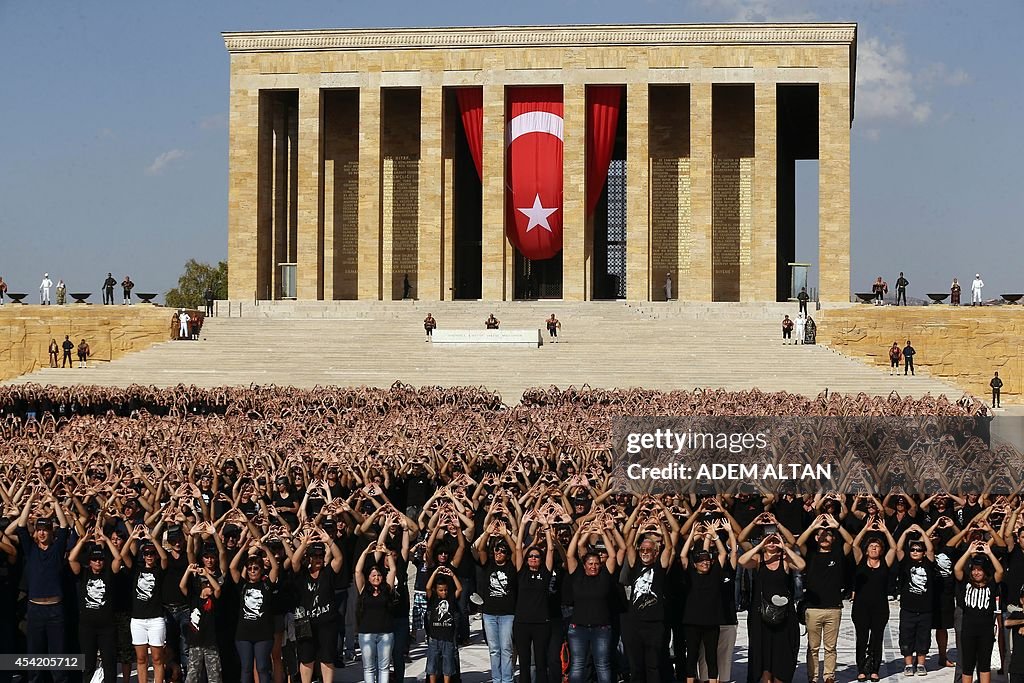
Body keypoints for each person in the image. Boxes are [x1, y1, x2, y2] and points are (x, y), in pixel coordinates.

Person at [7, 487, 72, 683]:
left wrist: (54, 502)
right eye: (39, 529)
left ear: (50, 532)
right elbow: (20, 526)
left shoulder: (57, 549)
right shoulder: (30, 549)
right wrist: (29, 501)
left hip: (55, 610)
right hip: (35, 610)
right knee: (34, 660)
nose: (42, 533)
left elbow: (63, 526)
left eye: (45, 529)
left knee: (58, 660)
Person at [798, 514, 854, 683]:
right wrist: (813, 526)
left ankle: (829, 676)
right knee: (813, 647)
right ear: (815, 537)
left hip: (833, 608)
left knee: (831, 647)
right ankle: (813, 677)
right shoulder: (811, 554)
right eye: (820, 535)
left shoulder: (838, 554)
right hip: (813, 608)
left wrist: (836, 525)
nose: (824, 537)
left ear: (833, 538)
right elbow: (799, 543)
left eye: (827, 534)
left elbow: (850, 542)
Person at [69, 529, 124, 683]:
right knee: (87, 665)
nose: (98, 562)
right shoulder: (84, 573)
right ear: (89, 561)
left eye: (100, 559)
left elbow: (118, 558)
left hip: (107, 627)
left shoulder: (109, 573)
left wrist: (106, 539)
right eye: (94, 559)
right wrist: (83, 540)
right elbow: (72, 559)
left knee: (110, 665)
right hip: (87, 627)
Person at [121, 526, 170, 683]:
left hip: (156, 619)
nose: (149, 556)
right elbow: (123, 554)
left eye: (152, 553)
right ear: (143, 555)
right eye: (147, 553)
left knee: (157, 658)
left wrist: (152, 539)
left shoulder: (159, 570)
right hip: (138, 620)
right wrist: (132, 538)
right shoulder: (136, 569)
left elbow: (164, 558)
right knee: (141, 659)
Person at [851, 517, 896, 682]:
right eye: (871, 546)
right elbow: (854, 545)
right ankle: (862, 669)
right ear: (867, 549)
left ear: (881, 550)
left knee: (877, 639)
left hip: (880, 607)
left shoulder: (885, 562)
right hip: (861, 607)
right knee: (862, 638)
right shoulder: (860, 561)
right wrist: (866, 528)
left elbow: (894, 547)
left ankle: (875, 669)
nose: (874, 548)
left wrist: (885, 531)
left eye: (877, 546)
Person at [230, 539, 280, 683]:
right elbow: (233, 567)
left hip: (263, 634)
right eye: (250, 568)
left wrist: (265, 548)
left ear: (261, 569)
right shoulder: (243, 586)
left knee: (263, 667)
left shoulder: (266, 586)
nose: (252, 571)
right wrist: (244, 548)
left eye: (256, 568)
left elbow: (275, 568)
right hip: (243, 634)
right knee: (246, 668)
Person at [475, 522, 518, 683]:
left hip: (507, 613)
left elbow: (516, 551)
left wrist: (506, 534)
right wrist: (486, 532)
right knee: (494, 650)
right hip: (489, 613)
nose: (499, 552)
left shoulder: (512, 566)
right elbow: (480, 549)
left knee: (506, 649)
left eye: (502, 551)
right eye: (497, 550)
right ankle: (496, 679)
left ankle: (507, 680)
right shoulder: (489, 565)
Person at [954, 541, 1004, 683]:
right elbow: (957, 569)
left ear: (985, 571)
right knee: (967, 666)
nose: (976, 572)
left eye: (980, 569)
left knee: (984, 666)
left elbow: (1000, 571)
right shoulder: (966, 583)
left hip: (986, 632)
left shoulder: (991, 584)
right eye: (974, 569)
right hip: (968, 631)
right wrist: (969, 551)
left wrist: (989, 553)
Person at [355, 541, 398, 683]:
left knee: (384, 667)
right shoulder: (363, 590)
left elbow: (392, 570)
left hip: (385, 633)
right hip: (366, 633)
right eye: (373, 575)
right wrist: (365, 552)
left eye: (378, 575)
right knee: (368, 667)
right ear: (368, 578)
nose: (376, 577)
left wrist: (387, 553)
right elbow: (358, 571)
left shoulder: (387, 589)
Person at [896, 526, 936, 676]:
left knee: (923, 637)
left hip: (925, 609)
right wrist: (905, 533)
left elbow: (931, 550)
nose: (915, 552)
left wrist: (922, 532)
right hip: (908, 608)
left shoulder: (928, 563)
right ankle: (908, 664)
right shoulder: (906, 562)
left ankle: (920, 663)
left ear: (923, 553)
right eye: (913, 549)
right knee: (906, 636)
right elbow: (898, 549)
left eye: (918, 550)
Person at [425, 565, 462, 683]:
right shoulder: (433, 600)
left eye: (445, 590)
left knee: (448, 666)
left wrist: (452, 575)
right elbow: (427, 587)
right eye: (441, 590)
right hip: (434, 638)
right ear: (436, 590)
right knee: (432, 666)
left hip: (448, 638)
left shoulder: (451, 599)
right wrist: (435, 572)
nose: (444, 592)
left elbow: (459, 589)